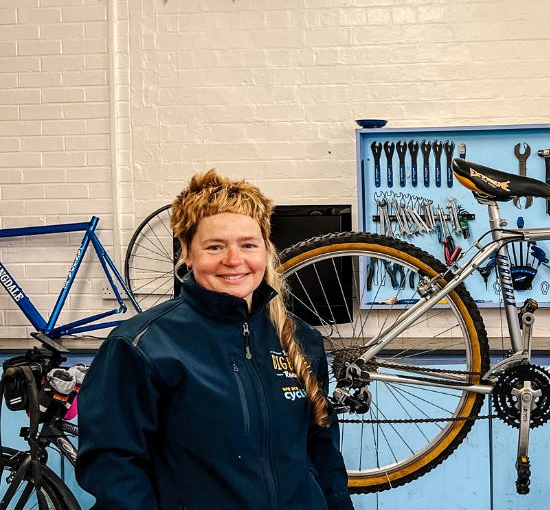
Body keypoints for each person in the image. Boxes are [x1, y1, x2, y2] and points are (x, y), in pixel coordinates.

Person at [75, 169, 354, 510]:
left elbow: (322, 448)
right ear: (187, 252)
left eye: (248, 245)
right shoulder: (141, 346)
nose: (234, 260)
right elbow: (113, 466)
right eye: (215, 247)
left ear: (265, 249)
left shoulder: (301, 339)